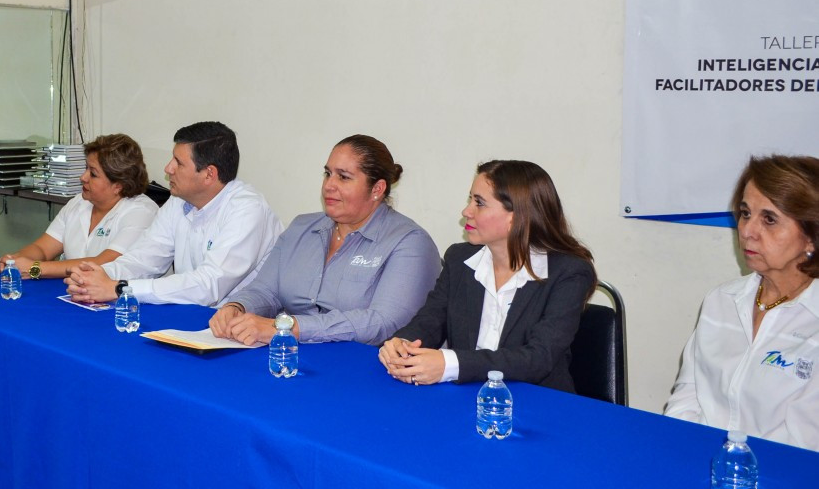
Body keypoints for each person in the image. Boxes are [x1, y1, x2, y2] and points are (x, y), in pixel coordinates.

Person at [378, 160, 596, 391]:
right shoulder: (459, 259)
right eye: (470, 199)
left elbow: (538, 358)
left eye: (479, 203)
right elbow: (430, 321)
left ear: (516, 216)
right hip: (466, 394)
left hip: (537, 400)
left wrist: (450, 363)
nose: (466, 211)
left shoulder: (569, 272)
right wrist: (402, 344)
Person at [209, 135, 441, 345]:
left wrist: (289, 328)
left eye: (344, 177)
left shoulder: (409, 242)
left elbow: (384, 323)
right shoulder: (301, 228)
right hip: (292, 356)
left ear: (377, 189)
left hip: (364, 369)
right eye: (328, 173)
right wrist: (237, 307)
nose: (329, 185)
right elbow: (265, 290)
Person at [665, 155, 819, 451]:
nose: (747, 231)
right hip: (702, 464)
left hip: (782, 483)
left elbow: (804, 444)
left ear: (811, 237)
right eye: (746, 213)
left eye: (769, 219)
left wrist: (733, 472)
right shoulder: (721, 301)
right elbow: (687, 396)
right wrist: (682, 454)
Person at [66, 121, 283, 306]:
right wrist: (98, 276)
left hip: (239, 330)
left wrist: (120, 288)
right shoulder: (178, 201)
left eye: (178, 163)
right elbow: (145, 258)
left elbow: (208, 286)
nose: (168, 169)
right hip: (191, 318)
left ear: (209, 174)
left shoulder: (247, 209)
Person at [0, 134, 158, 279]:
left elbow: (102, 264)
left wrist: (35, 269)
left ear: (118, 185)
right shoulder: (79, 202)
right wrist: (15, 262)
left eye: (93, 174)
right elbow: (42, 248)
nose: (83, 177)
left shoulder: (141, 212)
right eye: (86, 168)